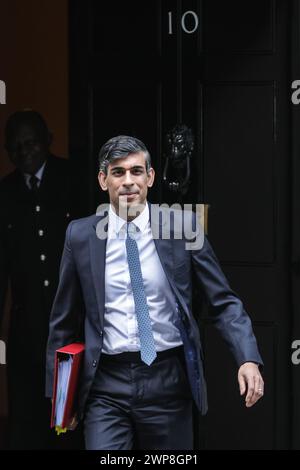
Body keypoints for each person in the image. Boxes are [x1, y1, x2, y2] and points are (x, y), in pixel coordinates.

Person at [45, 135, 264, 450]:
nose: (128, 181)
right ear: (103, 180)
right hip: (106, 383)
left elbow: (223, 302)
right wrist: (61, 399)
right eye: (118, 172)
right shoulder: (80, 235)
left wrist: (247, 358)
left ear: (150, 177)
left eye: (136, 171)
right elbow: (63, 320)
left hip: (168, 380)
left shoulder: (182, 228)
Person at [0, 110, 83, 449]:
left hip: (69, 326)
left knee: (65, 420)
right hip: (26, 329)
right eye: (15, 147)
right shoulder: (4, 193)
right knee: (25, 420)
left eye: (30, 143)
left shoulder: (72, 179)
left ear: (47, 140)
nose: (24, 153)